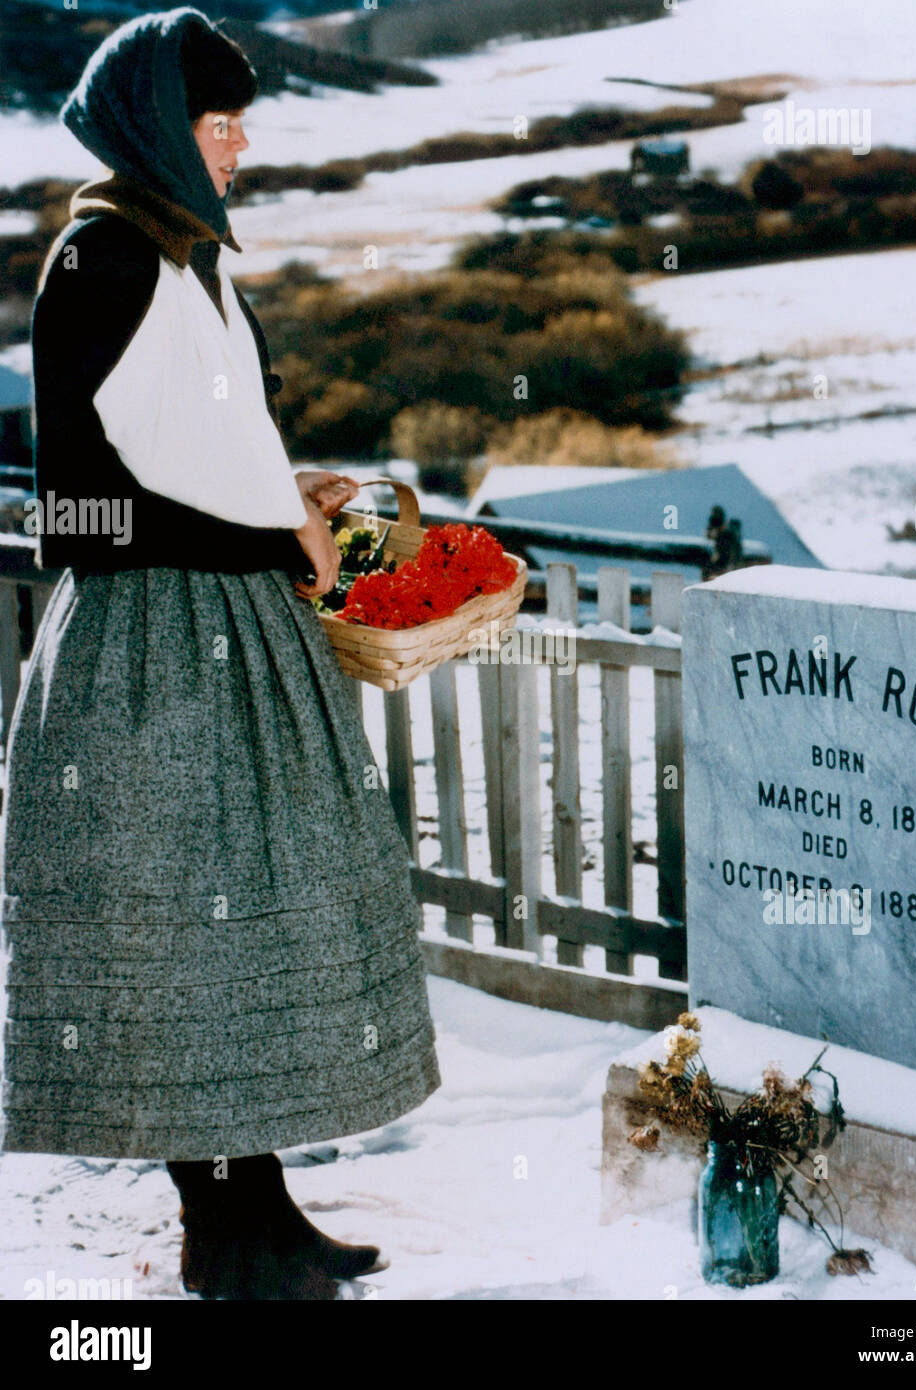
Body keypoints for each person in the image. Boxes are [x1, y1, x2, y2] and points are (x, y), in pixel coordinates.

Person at [0, 7, 441, 1301]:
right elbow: (68, 506)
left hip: (227, 631)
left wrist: (280, 492)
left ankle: (267, 1215)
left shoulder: (189, 259)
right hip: (146, 659)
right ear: (154, 127)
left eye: (244, 116)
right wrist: (268, 539)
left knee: (249, 931)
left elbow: (188, 450)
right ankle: (222, 1240)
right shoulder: (102, 263)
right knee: (178, 948)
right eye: (215, 118)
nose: (240, 139)